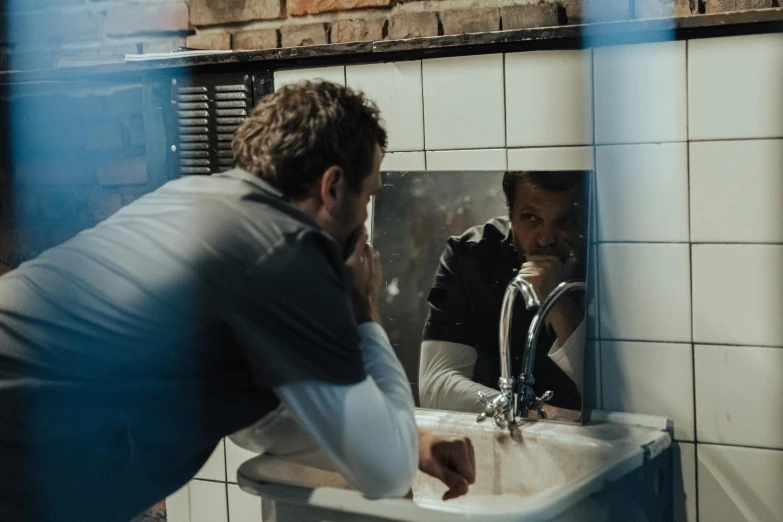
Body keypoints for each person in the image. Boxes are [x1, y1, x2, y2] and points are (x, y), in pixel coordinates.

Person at [0, 81, 475, 522]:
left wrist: (408, 439)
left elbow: (260, 421)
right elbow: (386, 475)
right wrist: (364, 310)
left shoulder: (197, 198)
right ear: (332, 188)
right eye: (368, 194)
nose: (366, 219)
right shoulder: (286, 255)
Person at [418, 170, 589, 417]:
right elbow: (436, 384)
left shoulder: (607, 260)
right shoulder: (469, 255)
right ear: (510, 215)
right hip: (498, 434)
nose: (545, 240)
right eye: (531, 217)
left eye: (566, 222)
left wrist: (558, 303)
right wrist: (538, 412)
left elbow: (615, 395)